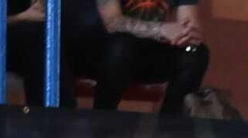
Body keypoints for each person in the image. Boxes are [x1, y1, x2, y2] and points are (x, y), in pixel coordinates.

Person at [65, 0, 209, 114]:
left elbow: (189, 24)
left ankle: (169, 127)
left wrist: (188, 35)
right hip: (97, 52)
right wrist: (162, 29)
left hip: (142, 55)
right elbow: (113, 22)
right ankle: (102, 122)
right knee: (121, 45)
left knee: (196, 53)